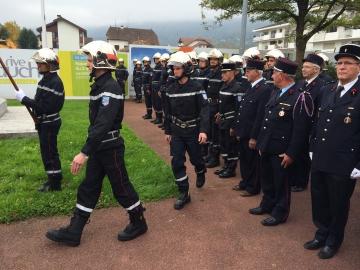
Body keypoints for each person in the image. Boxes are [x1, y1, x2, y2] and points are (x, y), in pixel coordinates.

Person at [45, 41, 147, 247]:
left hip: (110, 148)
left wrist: (83, 153)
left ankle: (139, 222)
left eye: (89, 60)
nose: (86, 65)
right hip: (101, 147)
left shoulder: (110, 87)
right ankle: (74, 231)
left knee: (121, 187)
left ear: (101, 62)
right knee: (88, 187)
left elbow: (103, 124)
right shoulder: (101, 86)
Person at [305, 44, 360, 259]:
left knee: (338, 204)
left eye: (348, 63)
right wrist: (312, 146)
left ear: (359, 67)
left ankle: (334, 240)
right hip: (321, 155)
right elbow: (318, 121)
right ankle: (321, 233)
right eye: (339, 63)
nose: (342, 67)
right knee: (319, 198)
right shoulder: (327, 90)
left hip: (344, 161)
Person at [249, 57, 313, 226]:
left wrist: (291, 153)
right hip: (268, 145)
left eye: (274, 73)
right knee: (267, 179)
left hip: (282, 150)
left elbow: (301, 130)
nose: (271, 76)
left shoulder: (300, 97)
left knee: (281, 182)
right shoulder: (275, 93)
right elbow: (266, 121)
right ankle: (267, 204)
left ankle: (281, 212)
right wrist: (262, 143)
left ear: (282, 75)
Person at [14, 48, 64, 192]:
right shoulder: (46, 80)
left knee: (50, 152)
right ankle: (52, 178)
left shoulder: (55, 82)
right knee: (46, 151)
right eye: (38, 63)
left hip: (50, 122)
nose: (38, 66)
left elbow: (45, 106)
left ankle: (55, 185)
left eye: (41, 63)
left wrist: (24, 99)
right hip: (44, 122)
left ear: (50, 64)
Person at [164, 52, 209, 210]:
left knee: (196, 159)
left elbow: (204, 110)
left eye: (177, 68)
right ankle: (184, 192)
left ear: (186, 68)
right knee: (177, 161)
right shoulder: (170, 89)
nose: (174, 71)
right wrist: (167, 131)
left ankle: (200, 169)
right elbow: (167, 112)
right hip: (177, 131)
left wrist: (203, 131)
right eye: (173, 68)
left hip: (193, 131)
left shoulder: (197, 87)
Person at [234, 59, 271, 196]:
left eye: (248, 71)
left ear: (257, 72)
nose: (245, 74)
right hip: (244, 131)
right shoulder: (251, 87)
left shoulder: (264, 89)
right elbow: (244, 110)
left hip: (251, 134)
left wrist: (254, 137)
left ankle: (253, 187)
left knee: (253, 162)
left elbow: (260, 116)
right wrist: (239, 130)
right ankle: (245, 182)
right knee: (244, 160)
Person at [291, 54, 324, 192]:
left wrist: (313, 131)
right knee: (295, 152)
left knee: (303, 155)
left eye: (307, 67)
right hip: (296, 124)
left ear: (316, 69)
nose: (303, 69)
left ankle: (302, 181)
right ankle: (294, 178)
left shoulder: (321, 87)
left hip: (308, 126)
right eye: (303, 67)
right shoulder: (301, 83)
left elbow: (319, 111)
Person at [214, 62, 241, 178]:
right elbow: (224, 103)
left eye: (224, 73)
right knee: (223, 145)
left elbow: (238, 109)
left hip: (230, 121)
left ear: (231, 73)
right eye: (222, 73)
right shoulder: (224, 85)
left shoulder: (237, 88)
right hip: (222, 121)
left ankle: (231, 168)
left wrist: (234, 126)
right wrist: (220, 112)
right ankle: (226, 165)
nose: (222, 75)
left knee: (231, 146)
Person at [205, 49, 224, 168]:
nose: (212, 61)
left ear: (219, 60)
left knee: (216, 134)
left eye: (214, 59)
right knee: (210, 133)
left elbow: (223, 94)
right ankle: (211, 154)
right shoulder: (210, 73)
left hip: (217, 107)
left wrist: (220, 110)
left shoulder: (222, 74)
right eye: (211, 59)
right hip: (209, 107)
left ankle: (216, 157)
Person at [150, 52, 163, 125]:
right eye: (155, 59)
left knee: (158, 103)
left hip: (158, 87)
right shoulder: (155, 68)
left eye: (157, 59)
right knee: (154, 102)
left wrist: (159, 89)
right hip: (153, 87)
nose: (156, 60)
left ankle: (160, 118)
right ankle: (157, 117)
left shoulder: (161, 68)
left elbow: (161, 79)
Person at [158, 53, 171, 129]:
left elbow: (165, 74)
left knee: (166, 107)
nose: (162, 63)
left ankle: (167, 124)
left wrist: (166, 67)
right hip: (162, 89)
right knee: (163, 106)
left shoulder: (169, 69)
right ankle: (165, 122)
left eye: (163, 61)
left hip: (166, 89)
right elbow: (162, 78)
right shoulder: (164, 68)